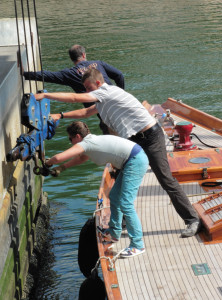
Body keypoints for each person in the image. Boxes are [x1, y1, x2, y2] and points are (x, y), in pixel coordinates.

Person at [35, 69, 201, 238]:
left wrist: (46, 96)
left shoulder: (107, 91)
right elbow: (85, 112)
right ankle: (121, 222)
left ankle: (192, 219)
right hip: (133, 141)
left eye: (87, 87)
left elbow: (76, 98)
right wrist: (60, 115)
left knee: (165, 179)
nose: (86, 91)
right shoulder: (102, 101)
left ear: (98, 83)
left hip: (151, 136)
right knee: (119, 180)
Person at [45, 121, 149, 258]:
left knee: (125, 203)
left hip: (135, 161)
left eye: (70, 139)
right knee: (114, 197)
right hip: (131, 161)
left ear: (77, 136)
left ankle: (137, 245)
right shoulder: (91, 142)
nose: (71, 142)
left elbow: (59, 157)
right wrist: (62, 168)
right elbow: (81, 158)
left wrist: (47, 162)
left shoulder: (87, 143)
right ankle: (114, 233)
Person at [23, 44, 124, 109]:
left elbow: (47, 75)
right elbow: (119, 75)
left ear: (71, 59)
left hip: (99, 109)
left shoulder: (69, 74)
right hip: (116, 101)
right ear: (84, 55)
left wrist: (25, 74)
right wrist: (120, 93)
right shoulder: (99, 63)